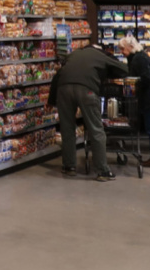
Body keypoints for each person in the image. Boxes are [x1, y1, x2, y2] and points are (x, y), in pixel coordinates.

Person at [48, 44, 128, 181]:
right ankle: (102, 171)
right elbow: (123, 69)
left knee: (67, 129)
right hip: (87, 89)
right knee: (96, 129)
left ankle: (69, 167)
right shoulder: (100, 55)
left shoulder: (74, 54)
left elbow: (58, 76)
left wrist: (51, 101)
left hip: (63, 89)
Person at [118, 35, 150, 167]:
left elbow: (146, 78)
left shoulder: (138, 58)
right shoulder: (139, 57)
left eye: (123, 49)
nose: (121, 52)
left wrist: (135, 87)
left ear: (130, 47)